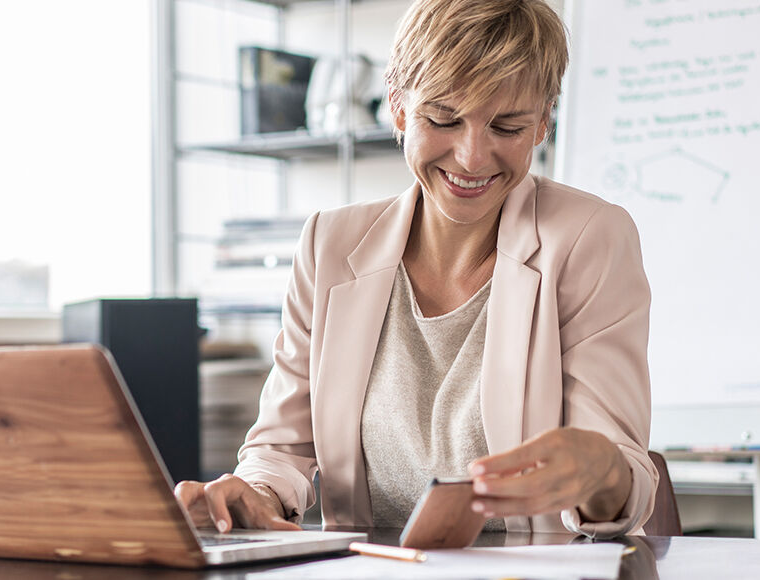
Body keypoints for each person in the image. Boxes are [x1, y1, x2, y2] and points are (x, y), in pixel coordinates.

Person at [175, 0, 658, 538]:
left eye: (507, 126)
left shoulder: (591, 237)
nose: (473, 157)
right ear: (399, 109)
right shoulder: (329, 244)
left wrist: (601, 469)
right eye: (443, 119)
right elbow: (281, 447)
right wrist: (258, 492)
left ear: (543, 121)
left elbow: (623, 474)